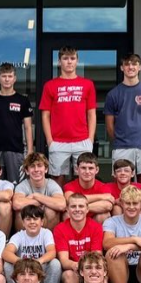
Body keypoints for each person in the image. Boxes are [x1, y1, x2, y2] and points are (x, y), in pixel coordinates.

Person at [39, 47, 96, 187]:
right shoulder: (50, 85)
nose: (69, 62)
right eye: (65, 58)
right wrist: (50, 140)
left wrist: (90, 139)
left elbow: (91, 114)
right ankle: (59, 207)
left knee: (84, 178)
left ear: (77, 61)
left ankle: (81, 207)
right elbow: (45, 115)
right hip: (58, 141)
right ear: (59, 62)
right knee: (57, 179)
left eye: (72, 58)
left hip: (82, 140)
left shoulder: (87, 84)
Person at [103, 53, 141, 185]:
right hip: (122, 146)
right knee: (121, 182)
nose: (130, 67)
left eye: (134, 64)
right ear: (122, 68)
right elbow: (110, 127)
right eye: (127, 64)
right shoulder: (113, 94)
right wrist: (119, 138)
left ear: (139, 67)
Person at [0, 62, 33, 183]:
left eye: (10, 76)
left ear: (14, 78)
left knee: (16, 184)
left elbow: (28, 127)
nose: (7, 79)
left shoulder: (23, 100)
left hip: (15, 149)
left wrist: (30, 151)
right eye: (4, 76)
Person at [3, 204, 61, 283]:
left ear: (42, 222)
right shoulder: (19, 236)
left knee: (55, 263)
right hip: (23, 270)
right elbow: (6, 253)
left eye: (35, 219)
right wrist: (22, 262)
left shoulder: (46, 233)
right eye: (28, 219)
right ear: (23, 223)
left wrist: (39, 261)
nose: (32, 222)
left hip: (40, 269)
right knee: (7, 265)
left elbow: (52, 252)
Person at [54, 193, 104, 283]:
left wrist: (88, 269)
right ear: (67, 209)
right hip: (72, 269)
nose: (77, 209)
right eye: (73, 206)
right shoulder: (60, 229)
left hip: (90, 267)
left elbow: (96, 256)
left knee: (101, 277)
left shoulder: (96, 227)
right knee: (70, 276)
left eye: (81, 206)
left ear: (87, 209)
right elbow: (64, 261)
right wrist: (79, 267)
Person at [12, 152, 66, 229]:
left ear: (46, 169)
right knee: (20, 212)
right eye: (32, 166)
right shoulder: (23, 185)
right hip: (27, 227)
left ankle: (47, 239)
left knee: (51, 211)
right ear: (27, 171)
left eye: (39, 166)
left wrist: (36, 196)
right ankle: (24, 240)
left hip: (47, 226)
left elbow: (61, 205)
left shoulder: (51, 184)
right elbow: (17, 204)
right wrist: (43, 202)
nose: (36, 170)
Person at [63, 152, 115, 223]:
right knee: (67, 215)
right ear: (77, 169)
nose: (87, 171)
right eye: (83, 168)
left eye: (90, 168)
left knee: (104, 215)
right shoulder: (69, 186)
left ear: (96, 170)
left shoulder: (103, 186)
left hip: (94, 222)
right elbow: (69, 199)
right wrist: (101, 197)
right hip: (76, 219)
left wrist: (78, 208)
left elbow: (108, 206)